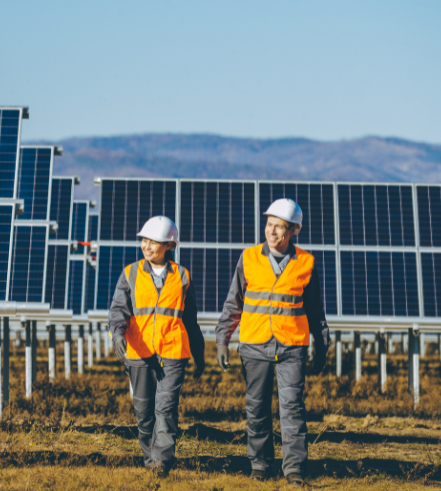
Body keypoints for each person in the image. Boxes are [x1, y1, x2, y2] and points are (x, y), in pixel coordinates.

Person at [215, 199, 329, 486]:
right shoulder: (249, 258)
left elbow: (315, 310)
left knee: (292, 408)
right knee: (256, 408)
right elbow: (233, 304)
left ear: (293, 230)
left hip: (292, 346)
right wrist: (222, 340)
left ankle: (294, 469)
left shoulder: (306, 262)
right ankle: (260, 464)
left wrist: (322, 343)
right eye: (269, 225)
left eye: (279, 227)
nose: (272, 232)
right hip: (254, 345)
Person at [109, 216, 205, 476]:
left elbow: (190, 318)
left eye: (154, 242)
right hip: (139, 353)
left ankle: (160, 463)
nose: (147, 246)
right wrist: (118, 335)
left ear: (169, 245)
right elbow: (118, 310)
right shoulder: (130, 273)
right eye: (144, 240)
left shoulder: (182, 276)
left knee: (166, 408)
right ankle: (149, 457)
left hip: (172, 353)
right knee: (143, 412)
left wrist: (199, 352)